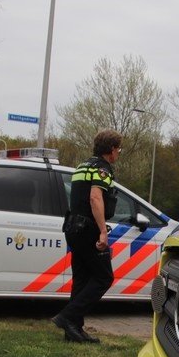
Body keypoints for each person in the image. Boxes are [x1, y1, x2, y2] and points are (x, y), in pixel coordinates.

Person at [52, 129, 123, 344]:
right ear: (111, 150)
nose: (118, 153)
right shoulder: (102, 169)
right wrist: (102, 230)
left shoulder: (82, 166)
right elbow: (95, 198)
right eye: (118, 149)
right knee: (104, 278)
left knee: (81, 280)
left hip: (73, 228)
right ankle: (67, 317)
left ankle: (73, 330)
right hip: (88, 229)